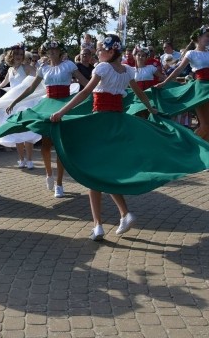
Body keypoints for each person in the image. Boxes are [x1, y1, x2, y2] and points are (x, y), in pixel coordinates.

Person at [50, 34, 159, 240]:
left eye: (100, 50)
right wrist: (151, 109)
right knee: (106, 171)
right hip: (118, 124)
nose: (97, 53)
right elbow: (140, 94)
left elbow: (84, 93)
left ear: (110, 51)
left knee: (94, 173)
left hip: (100, 123)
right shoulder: (127, 71)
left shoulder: (103, 68)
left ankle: (100, 225)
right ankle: (122, 214)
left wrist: (61, 112)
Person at [6, 39, 88, 198]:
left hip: (64, 105)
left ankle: (59, 183)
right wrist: (15, 101)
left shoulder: (69, 65)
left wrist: (98, 91)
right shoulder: (43, 68)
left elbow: (85, 83)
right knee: (45, 146)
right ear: (46, 53)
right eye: (48, 50)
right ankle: (49, 174)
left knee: (60, 147)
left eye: (54, 50)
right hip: (48, 105)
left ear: (59, 51)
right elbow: (31, 88)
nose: (51, 52)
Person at [154, 27, 209, 142]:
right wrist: (165, 82)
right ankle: (187, 146)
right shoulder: (191, 53)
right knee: (204, 125)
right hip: (202, 89)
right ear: (199, 38)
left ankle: (206, 153)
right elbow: (178, 69)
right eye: (207, 36)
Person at [0, 43, 38, 169]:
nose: (18, 56)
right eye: (16, 54)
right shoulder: (10, 69)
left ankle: (29, 160)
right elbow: (6, 81)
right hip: (13, 104)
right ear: (11, 55)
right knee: (16, 131)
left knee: (27, 131)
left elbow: (38, 78)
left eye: (21, 54)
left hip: (26, 102)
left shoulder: (27, 68)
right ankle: (21, 159)